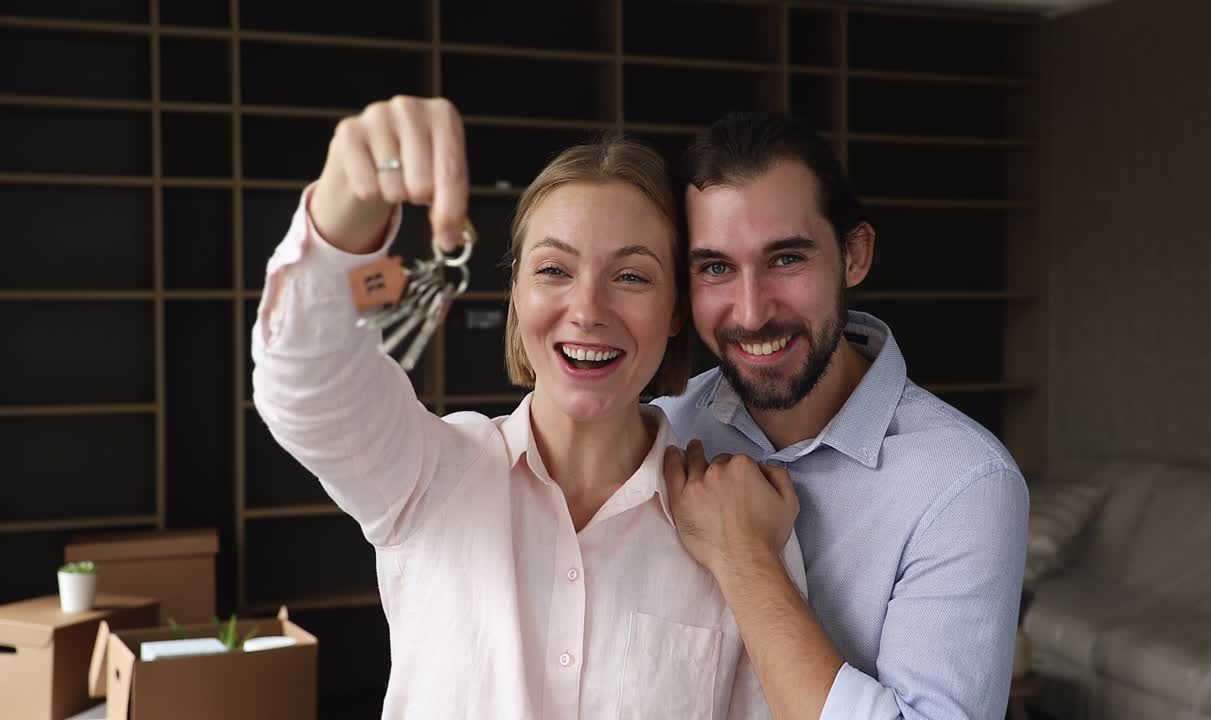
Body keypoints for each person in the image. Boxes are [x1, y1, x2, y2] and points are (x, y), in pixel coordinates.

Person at [250, 96, 805, 719]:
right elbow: (306, 384)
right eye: (553, 269)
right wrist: (342, 208)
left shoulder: (738, 529)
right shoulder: (431, 475)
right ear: (516, 293)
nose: (589, 309)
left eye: (632, 277)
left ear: (677, 308)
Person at [653, 112, 1030, 720]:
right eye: (716, 267)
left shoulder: (966, 485)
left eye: (785, 260)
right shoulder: (662, 432)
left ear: (854, 255)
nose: (751, 313)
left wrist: (745, 558)